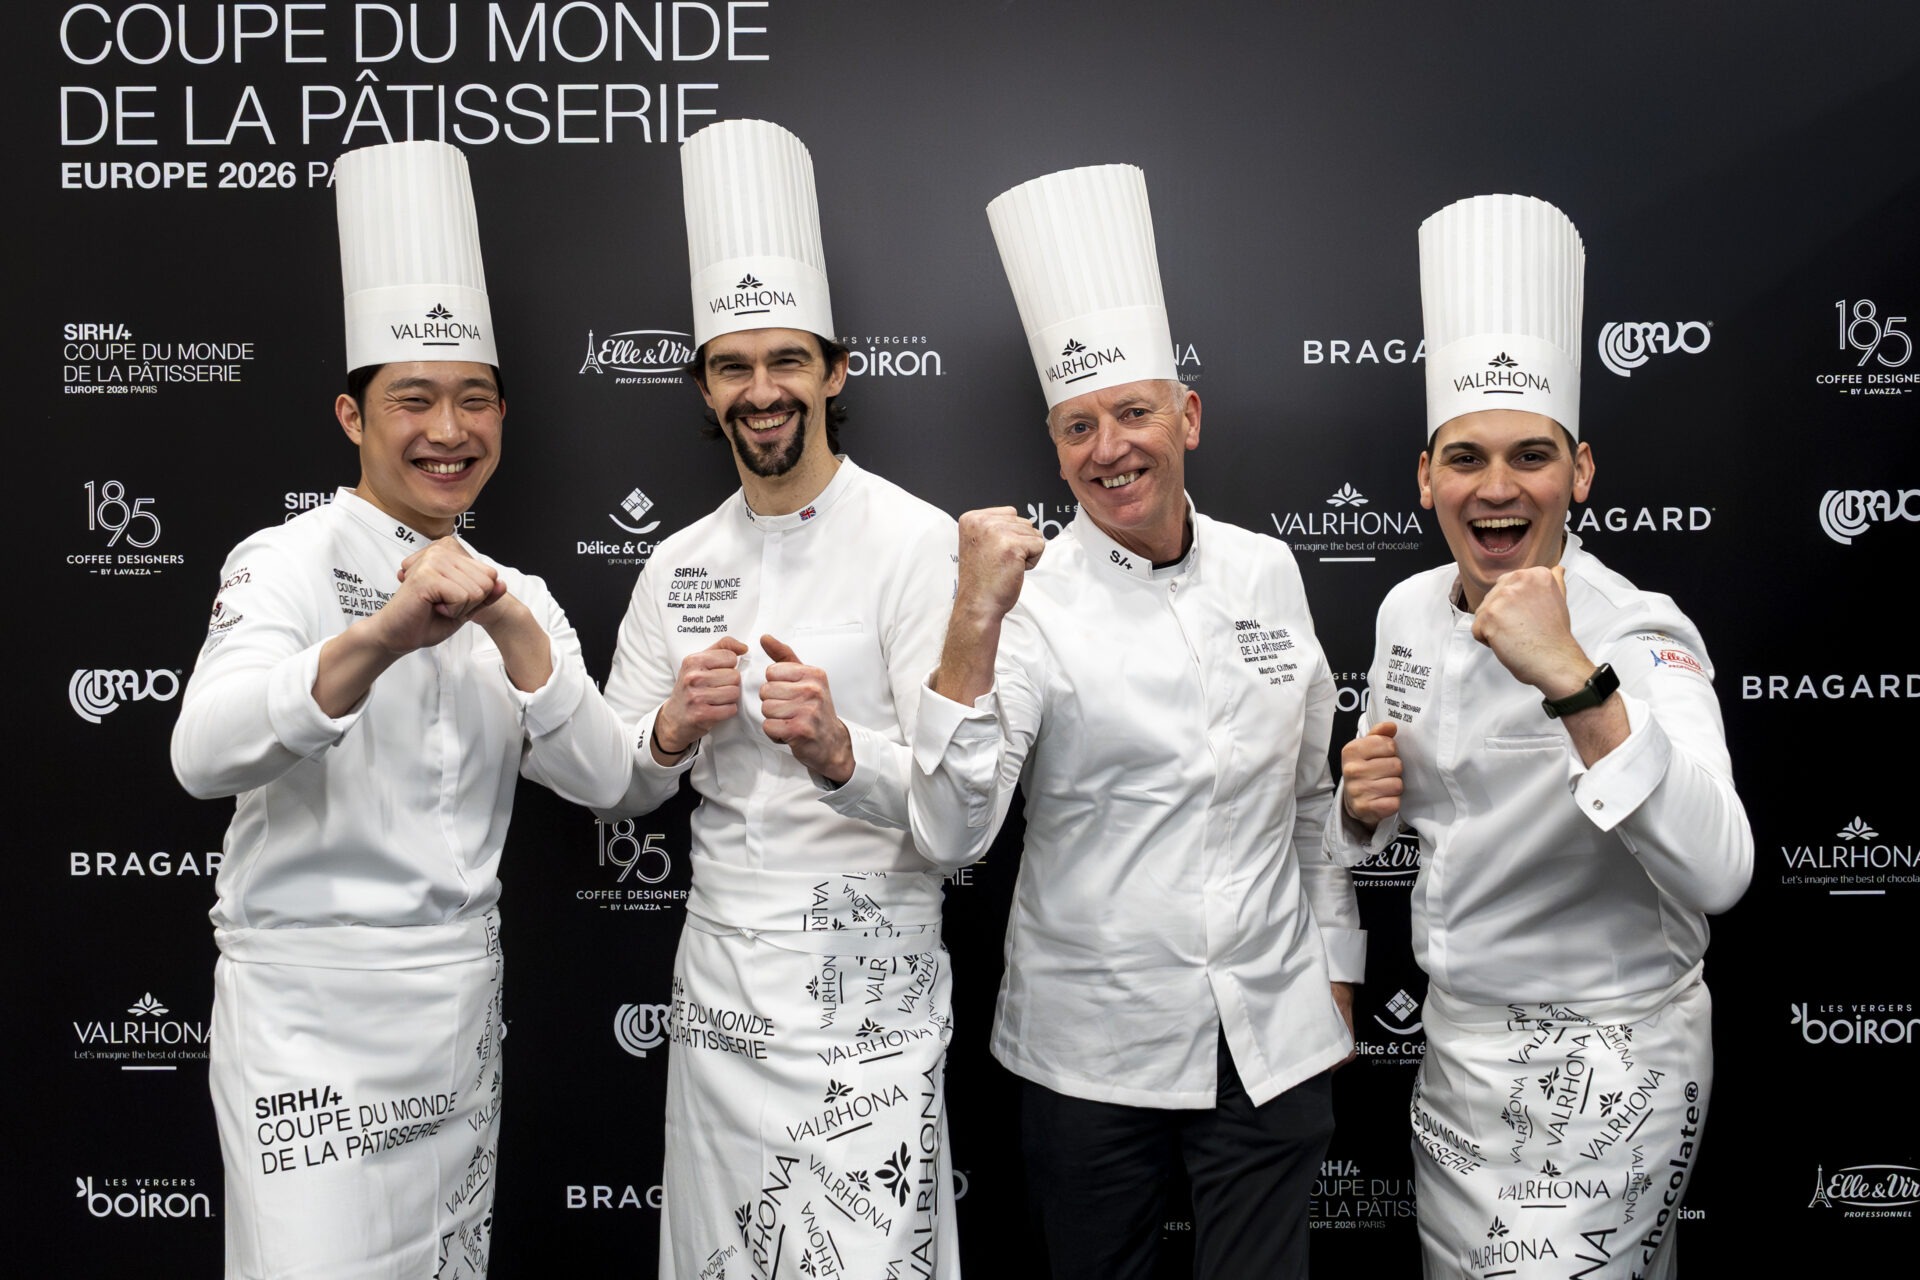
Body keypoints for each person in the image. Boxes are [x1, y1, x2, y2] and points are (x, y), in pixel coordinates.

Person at [170, 140, 628, 1279]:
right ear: (352, 415)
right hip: (306, 1017)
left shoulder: (521, 593)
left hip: (457, 1007)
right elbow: (201, 751)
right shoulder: (282, 560)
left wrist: (513, 629)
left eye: (474, 400)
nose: (448, 429)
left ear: (503, 420)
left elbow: (608, 778)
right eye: (412, 399)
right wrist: (375, 639)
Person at [903, 163, 1362, 1280]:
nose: (1110, 447)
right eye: (1078, 425)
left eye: (1134, 413)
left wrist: (1336, 963)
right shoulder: (1027, 598)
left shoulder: (1269, 567)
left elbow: (1310, 795)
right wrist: (971, 621)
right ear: (1055, 446)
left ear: (1188, 416)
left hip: (1270, 1033)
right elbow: (952, 831)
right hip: (1089, 1048)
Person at [1327, 193, 1753, 1279]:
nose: (1498, 486)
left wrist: (1572, 675)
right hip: (1461, 1047)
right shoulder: (1405, 612)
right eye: (1466, 457)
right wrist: (1358, 803)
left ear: (1582, 473)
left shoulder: (1638, 629)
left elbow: (1721, 867)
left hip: (1613, 1053)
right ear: (1426, 479)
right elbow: (1402, 803)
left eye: (1532, 455)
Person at [600, 118, 960, 1278]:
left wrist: (844, 751)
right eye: (733, 366)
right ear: (707, 388)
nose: (762, 391)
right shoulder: (677, 564)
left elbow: (962, 808)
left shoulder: (918, 544)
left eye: (786, 360)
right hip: (724, 982)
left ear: (835, 369)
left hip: (870, 980)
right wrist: (667, 730)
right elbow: (617, 776)